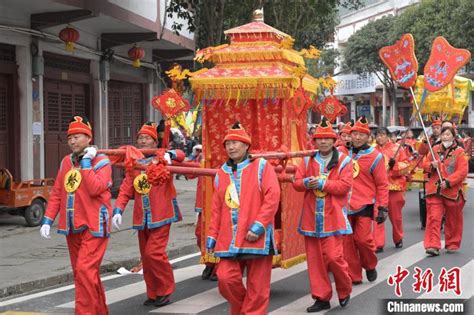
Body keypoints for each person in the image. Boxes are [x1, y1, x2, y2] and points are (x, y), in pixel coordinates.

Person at [39, 115, 112, 315]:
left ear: (89, 138)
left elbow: (96, 188)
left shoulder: (102, 161)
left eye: (77, 136)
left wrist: (87, 162)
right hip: (72, 225)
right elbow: (57, 192)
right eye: (70, 137)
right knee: (84, 274)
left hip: (95, 224)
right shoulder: (66, 162)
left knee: (85, 271)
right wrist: (48, 219)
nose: (72, 141)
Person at [206, 122, 280, 315]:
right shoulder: (221, 173)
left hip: (257, 237)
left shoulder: (262, 166)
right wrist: (212, 235)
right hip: (228, 238)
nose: (231, 147)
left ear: (246, 146)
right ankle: (242, 310)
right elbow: (216, 208)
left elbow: (272, 197)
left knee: (258, 288)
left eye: (235, 143)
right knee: (225, 278)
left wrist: (259, 226)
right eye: (227, 143)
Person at [112, 122, 185, 307]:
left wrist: (171, 154)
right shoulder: (134, 162)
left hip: (161, 213)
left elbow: (182, 156)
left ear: (154, 142)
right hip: (142, 216)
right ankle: (153, 293)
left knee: (154, 253)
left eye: (147, 138)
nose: (143, 141)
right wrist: (118, 209)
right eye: (140, 138)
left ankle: (165, 290)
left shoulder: (162, 157)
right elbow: (127, 187)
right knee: (146, 257)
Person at [293, 118, 353, 312]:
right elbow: (296, 182)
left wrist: (322, 184)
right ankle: (321, 297)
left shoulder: (344, 161)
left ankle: (344, 288)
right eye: (319, 139)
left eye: (327, 138)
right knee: (315, 261)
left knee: (335, 258)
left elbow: (344, 186)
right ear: (314, 140)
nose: (323, 142)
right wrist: (306, 183)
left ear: (334, 140)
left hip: (333, 217)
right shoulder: (307, 160)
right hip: (311, 218)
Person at [343, 116, 389, 285]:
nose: (357, 137)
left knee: (363, 240)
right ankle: (354, 275)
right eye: (354, 134)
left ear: (368, 136)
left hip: (364, 203)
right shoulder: (341, 153)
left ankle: (370, 265)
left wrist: (383, 206)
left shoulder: (375, 156)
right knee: (347, 242)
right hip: (343, 204)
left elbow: (382, 184)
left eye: (361, 134)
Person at [422, 126, 468, 256]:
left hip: (452, 191)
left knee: (453, 219)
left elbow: (462, 171)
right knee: (433, 218)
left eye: (448, 135)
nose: (445, 137)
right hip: (434, 190)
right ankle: (432, 245)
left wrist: (448, 182)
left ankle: (452, 243)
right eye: (443, 135)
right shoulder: (434, 149)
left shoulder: (460, 152)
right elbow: (424, 165)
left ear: (453, 136)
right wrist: (432, 165)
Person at [373, 127, 410, 252]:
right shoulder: (371, 151)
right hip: (378, 189)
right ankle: (378, 243)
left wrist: (395, 166)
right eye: (377, 135)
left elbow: (406, 167)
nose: (380, 137)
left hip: (394, 187)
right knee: (378, 215)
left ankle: (398, 237)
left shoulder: (397, 149)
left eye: (382, 134)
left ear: (387, 135)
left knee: (396, 217)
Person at [187, 144, 218, 281]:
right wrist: (193, 156)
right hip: (203, 202)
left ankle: (218, 265)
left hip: (221, 202)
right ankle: (209, 262)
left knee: (219, 235)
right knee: (200, 235)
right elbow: (189, 173)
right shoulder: (202, 155)